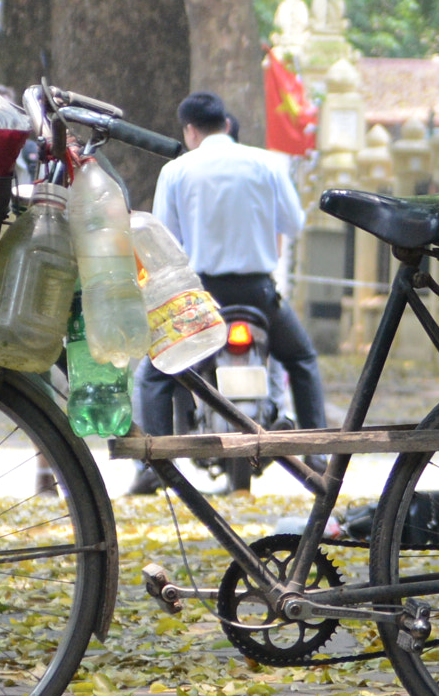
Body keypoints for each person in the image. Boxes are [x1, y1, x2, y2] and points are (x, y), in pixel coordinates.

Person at [129, 90, 324, 496]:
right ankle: (318, 456)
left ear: (190, 130)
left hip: (201, 298)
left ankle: (153, 468)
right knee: (302, 359)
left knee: (154, 372)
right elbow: (294, 223)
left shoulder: (179, 169)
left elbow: (165, 240)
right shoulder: (267, 163)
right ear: (228, 125)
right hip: (258, 295)